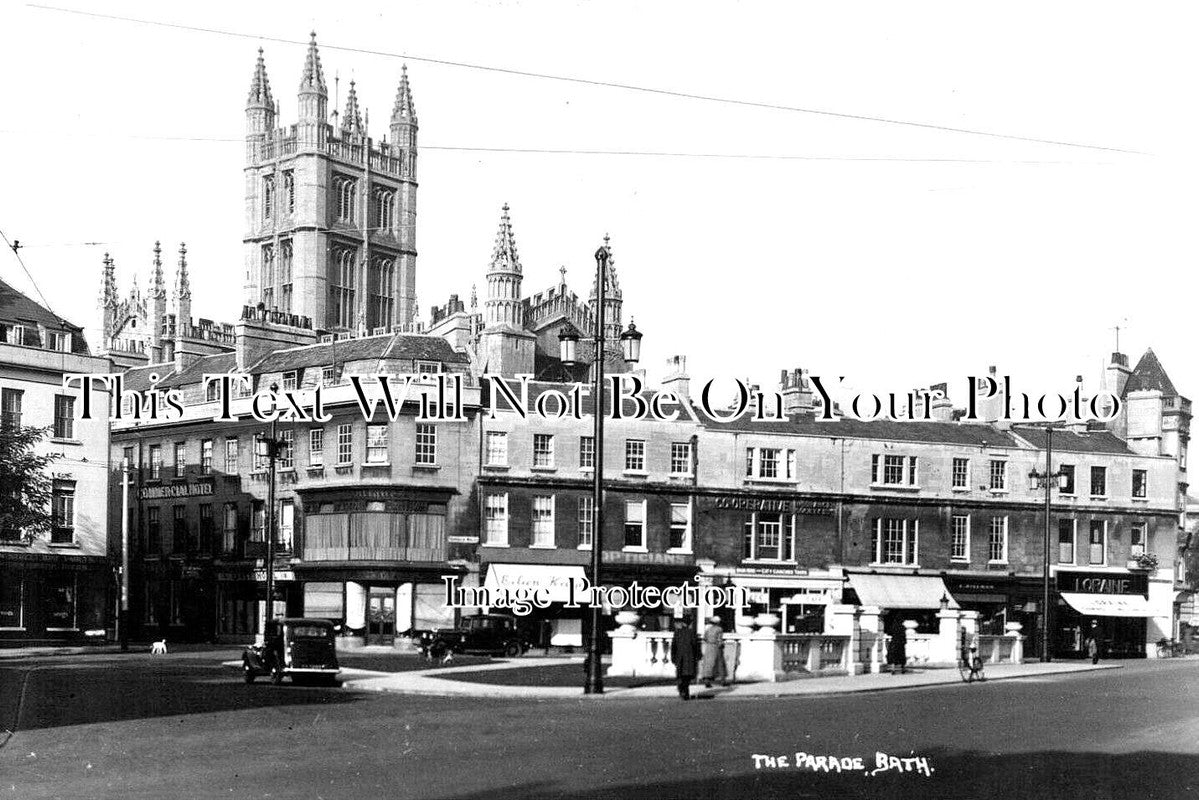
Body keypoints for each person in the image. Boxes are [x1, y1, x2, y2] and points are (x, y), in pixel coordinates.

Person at [670, 616, 701, 700]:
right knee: (687, 676)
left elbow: (673, 646)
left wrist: (673, 657)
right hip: (689, 657)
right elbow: (695, 646)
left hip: (680, 657)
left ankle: (682, 690)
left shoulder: (677, 633)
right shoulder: (692, 633)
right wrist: (698, 655)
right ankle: (685, 691)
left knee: (681, 675)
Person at [700, 615, 729, 688]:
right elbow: (719, 640)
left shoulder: (708, 629)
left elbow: (705, 638)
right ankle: (723, 680)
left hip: (709, 647)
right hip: (716, 647)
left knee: (708, 664)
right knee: (720, 664)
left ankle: (707, 680)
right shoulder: (719, 629)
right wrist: (721, 645)